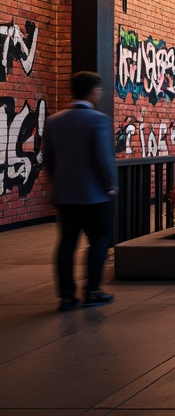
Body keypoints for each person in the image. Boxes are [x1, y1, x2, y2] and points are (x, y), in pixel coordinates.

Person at [41, 71, 117, 311]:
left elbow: (49, 160)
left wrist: (58, 182)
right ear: (92, 90)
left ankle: (66, 296)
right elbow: (103, 158)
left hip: (64, 194)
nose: (100, 92)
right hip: (94, 194)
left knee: (67, 243)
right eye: (99, 89)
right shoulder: (98, 120)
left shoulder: (53, 121)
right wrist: (110, 184)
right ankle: (92, 290)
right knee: (99, 240)